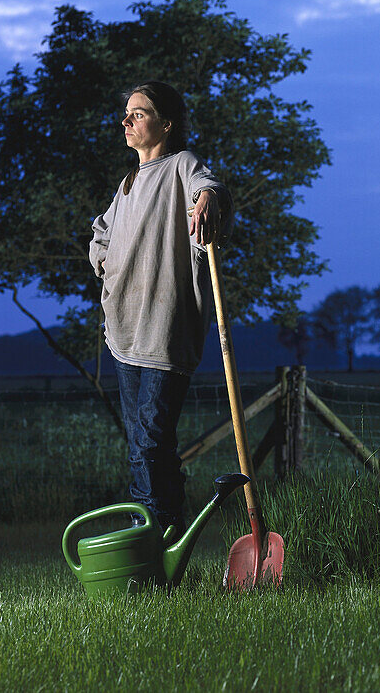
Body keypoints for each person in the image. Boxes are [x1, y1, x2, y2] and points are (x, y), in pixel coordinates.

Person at [89, 80, 232, 537]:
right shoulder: (128, 184)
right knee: (148, 445)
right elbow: (101, 235)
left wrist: (207, 199)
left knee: (148, 443)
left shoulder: (180, 166)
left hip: (164, 329)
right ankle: (166, 540)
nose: (127, 121)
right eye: (126, 113)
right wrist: (108, 262)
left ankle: (149, 538)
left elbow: (208, 187)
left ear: (166, 124)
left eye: (139, 113)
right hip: (125, 329)